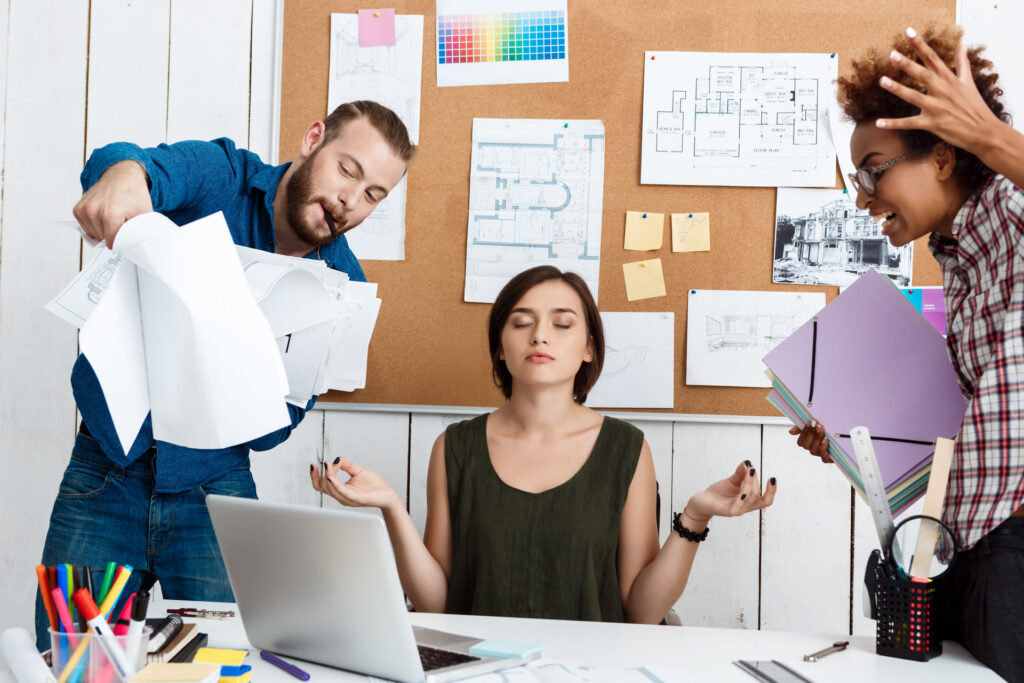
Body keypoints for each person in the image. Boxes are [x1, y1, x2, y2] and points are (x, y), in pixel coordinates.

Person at [36, 100, 414, 647]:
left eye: (373, 195)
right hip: (105, 470)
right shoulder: (225, 177)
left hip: (216, 488)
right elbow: (131, 164)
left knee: (232, 664)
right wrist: (123, 176)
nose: (349, 200)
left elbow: (271, 431)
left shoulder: (341, 290)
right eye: (347, 170)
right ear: (313, 140)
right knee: (70, 663)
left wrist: (241, 359)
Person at [311, 266, 776, 623]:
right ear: (500, 346)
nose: (540, 335)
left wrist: (695, 517)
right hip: (478, 671)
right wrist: (391, 507)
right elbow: (438, 603)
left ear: (590, 347)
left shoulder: (626, 449)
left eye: (562, 324)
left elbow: (641, 611)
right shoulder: (455, 447)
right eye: (521, 322)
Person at [790, 26, 1024, 679]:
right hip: (964, 543)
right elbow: (966, 435)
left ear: (945, 157)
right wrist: (852, 444)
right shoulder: (959, 258)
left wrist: (986, 136)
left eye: (873, 171)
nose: (863, 197)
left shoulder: (1012, 211)